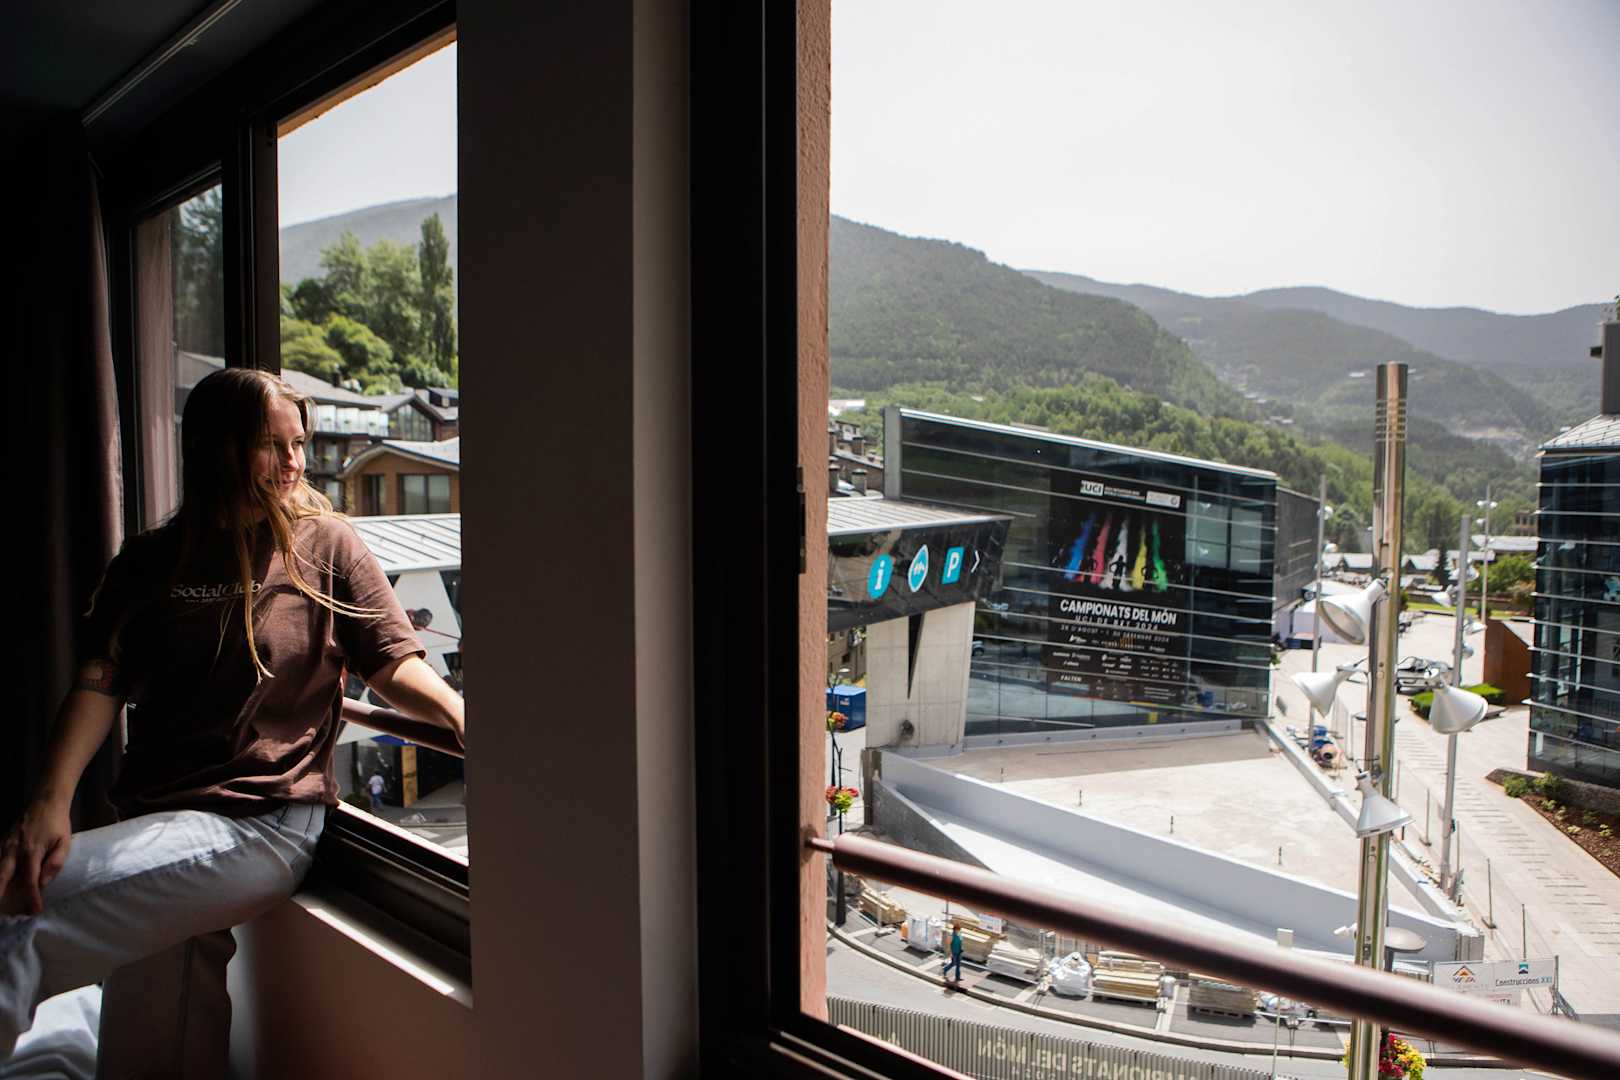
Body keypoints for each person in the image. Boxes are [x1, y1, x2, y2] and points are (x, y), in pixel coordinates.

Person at [0, 368, 465, 1075]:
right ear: (217, 449)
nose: (294, 462)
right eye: (271, 445)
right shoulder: (150, 560)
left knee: (16, 914)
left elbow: (390, 663)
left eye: (299, 444)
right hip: (154, 814)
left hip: (262, 821)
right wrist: (48, 801)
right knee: (155, 1031)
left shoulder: (327, 545)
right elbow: (101, 679)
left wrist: (459, 714)